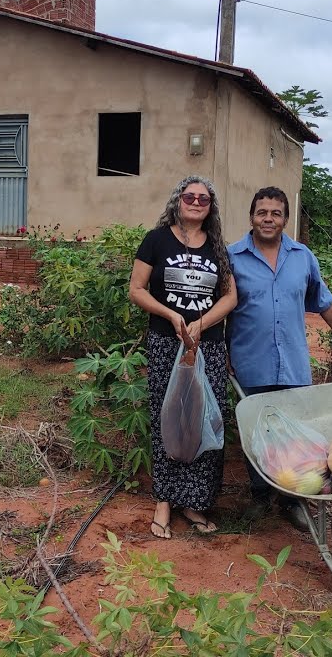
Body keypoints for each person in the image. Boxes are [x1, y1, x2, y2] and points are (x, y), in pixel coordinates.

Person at [227, 186, 332, 528]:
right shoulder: (232, 257)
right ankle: (260, 496)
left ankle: (292, 499)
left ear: (285, 219)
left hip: (293, 362)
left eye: (276, 213)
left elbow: (322, 299)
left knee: (296, 432)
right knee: (256, 430)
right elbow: (221, 307)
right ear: (251, 217)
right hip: (249, 360)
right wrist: (221, 348)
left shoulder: (302, 256)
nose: (268, 219)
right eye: (262, 212)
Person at [129, 175, 237, 539]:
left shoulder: (218, 247)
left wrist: (201, 324)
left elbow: (230, 297)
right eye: (189, 196)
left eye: (203, 199)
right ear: (178, 200)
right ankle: (164, 499)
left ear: (211, 207)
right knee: (168, 417)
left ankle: (195, 502)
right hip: (166, 342)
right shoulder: (157, 240)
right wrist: (171, 315)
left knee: (204, 419)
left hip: (207, 345)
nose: (195, 202)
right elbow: (137, 289)